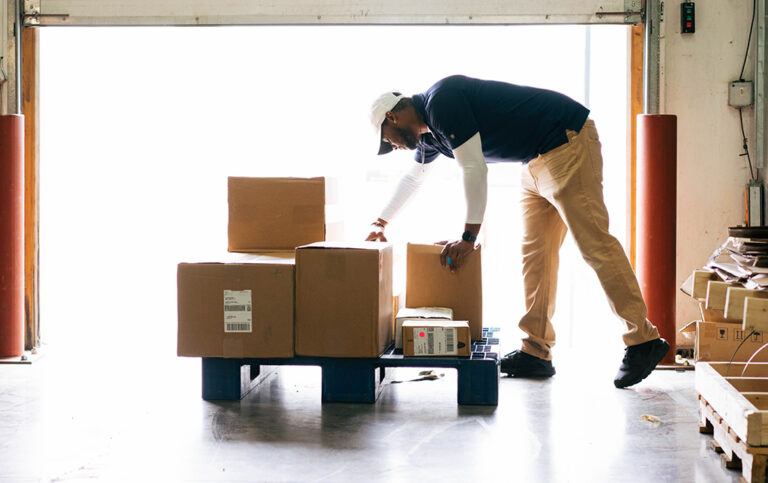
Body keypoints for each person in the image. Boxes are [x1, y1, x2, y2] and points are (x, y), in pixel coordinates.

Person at [365, 75, 669, 388]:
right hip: (534, 161)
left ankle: (642, 340)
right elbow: (414, 179)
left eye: (388, 140)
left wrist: (469, 237)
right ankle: (535, 351)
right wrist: (381, 222)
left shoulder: (440, 102)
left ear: (393, 117)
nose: (394, 146)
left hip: (566, 142)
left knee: (595, 244)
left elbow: (474, 168)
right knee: (536, 256)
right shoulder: (429, 136)